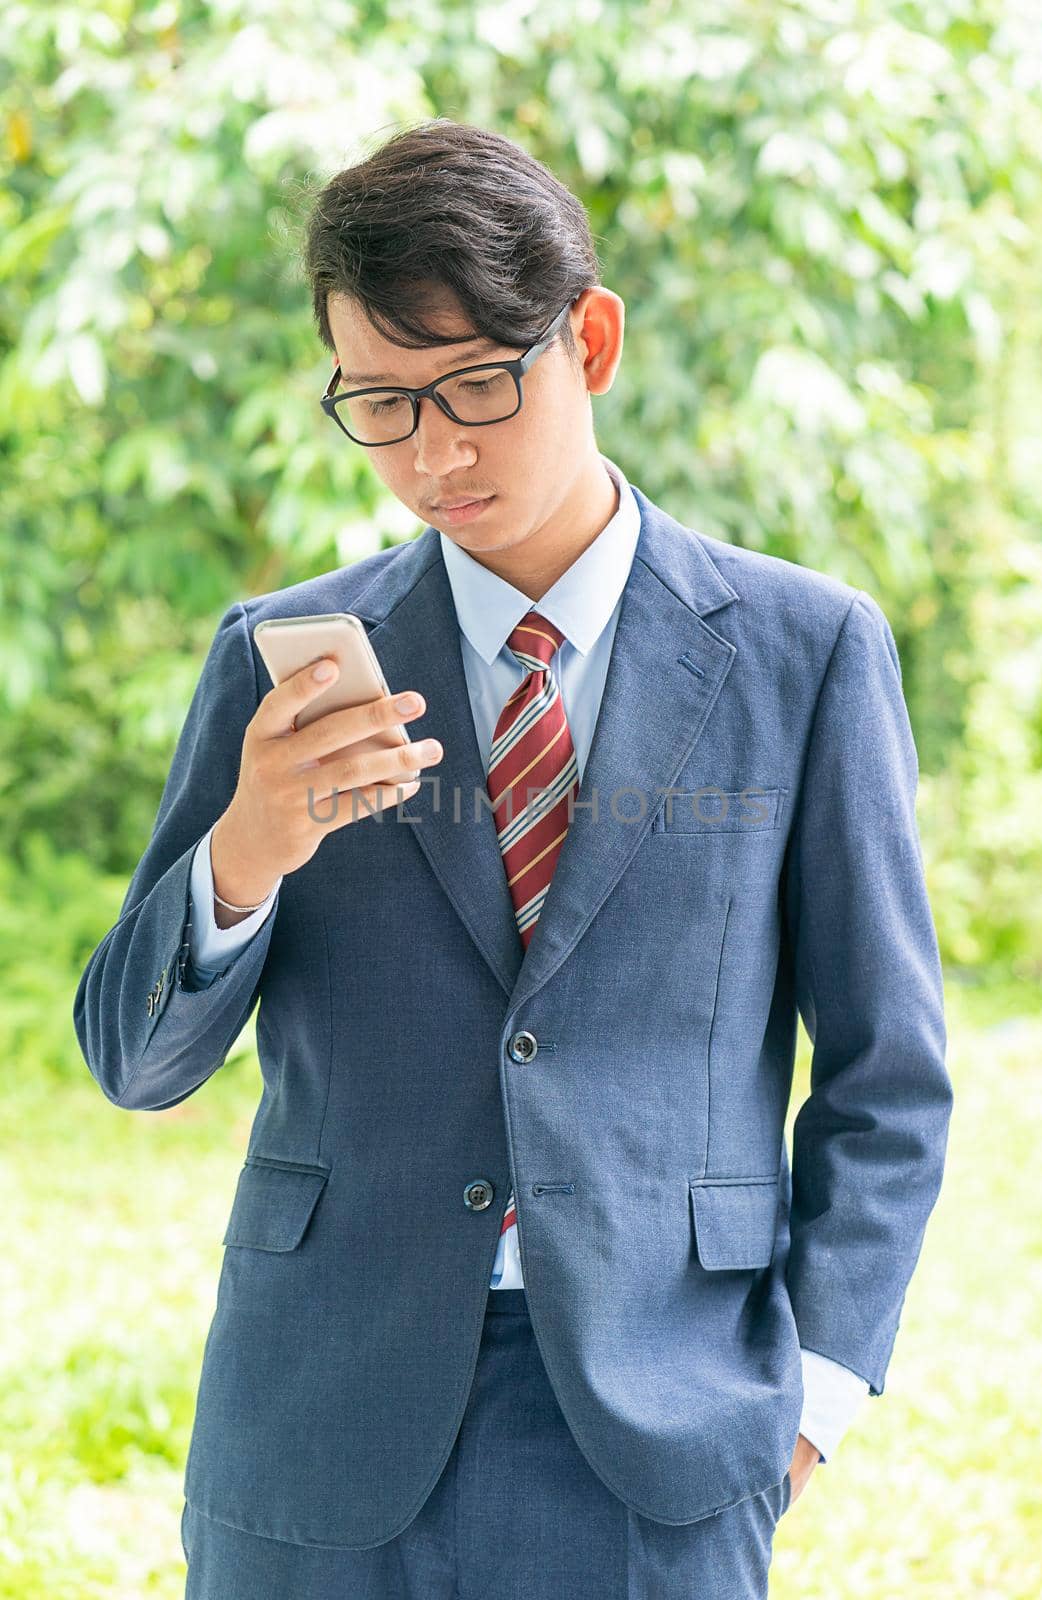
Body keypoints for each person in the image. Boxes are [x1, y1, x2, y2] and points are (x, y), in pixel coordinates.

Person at [73, 118, 953, 1600]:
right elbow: (135, 1064)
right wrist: (245, 853)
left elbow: (888, 1074)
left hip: (661, 1429)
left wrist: (810, 1398)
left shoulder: (807, 656)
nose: (436, 454)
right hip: (318, 1415)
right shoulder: (278, 667)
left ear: (590, 339)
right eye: (383, 405)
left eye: (480, 384)